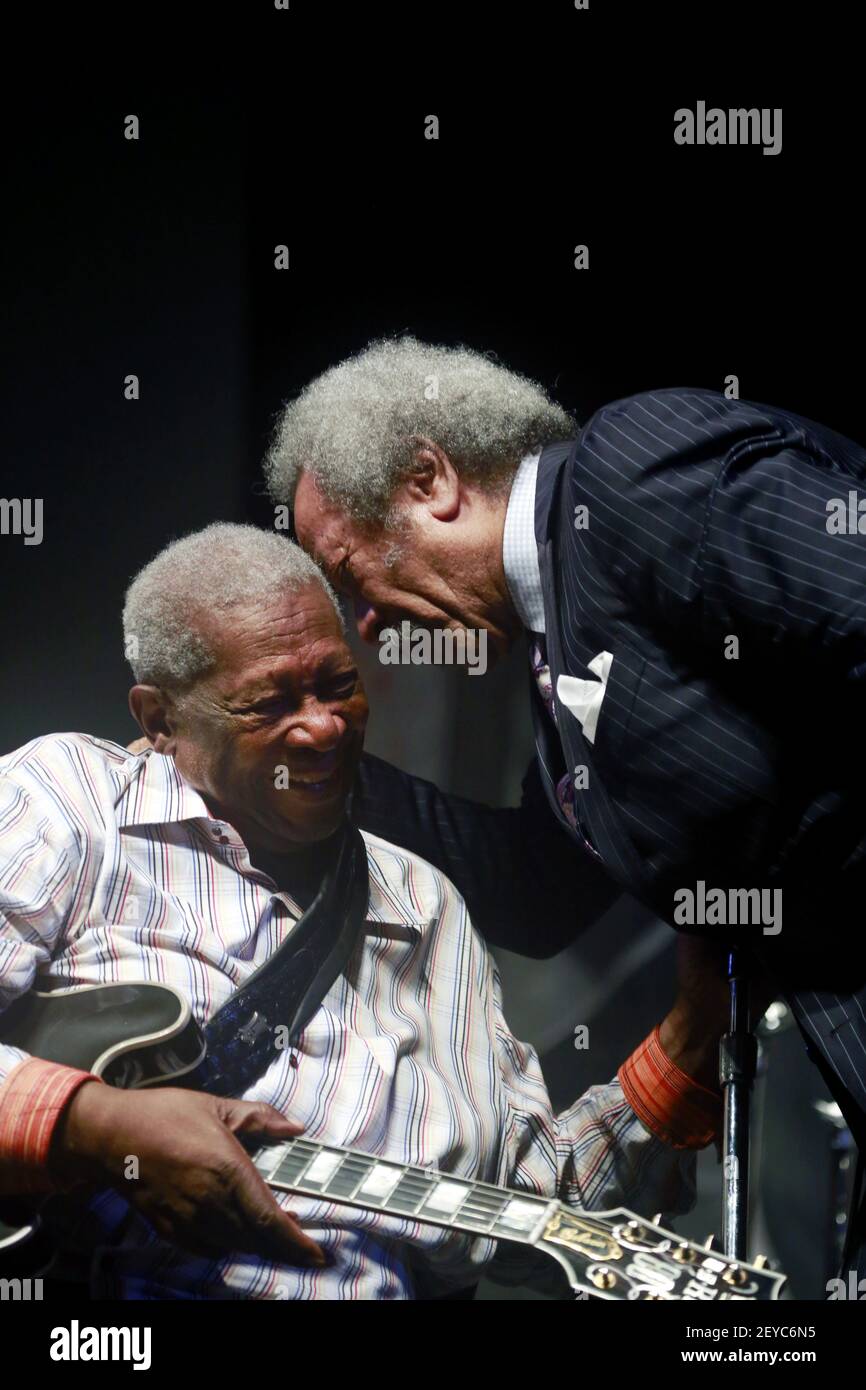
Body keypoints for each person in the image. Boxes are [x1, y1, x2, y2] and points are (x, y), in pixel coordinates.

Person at [0, 524, 726, 1301]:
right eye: (270, 702)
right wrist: (96, 1125)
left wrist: (696, 1029)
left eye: (339, 683)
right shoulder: (68, 800)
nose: (324, 726)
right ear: (159, 719)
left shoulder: (426, 904)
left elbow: (529, 1213)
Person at [275, 337, 866, 1277]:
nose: (370, 626)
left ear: (432, 479)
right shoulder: (555, 646)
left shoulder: (630, 470)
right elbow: (534, 895)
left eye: (352, 578)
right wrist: (307, 766)